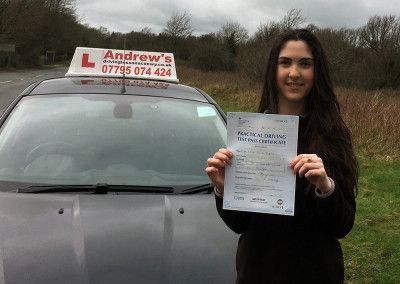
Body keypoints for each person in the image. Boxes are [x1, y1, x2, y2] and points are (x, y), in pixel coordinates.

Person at [205, 29, 358, 284]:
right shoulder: (250, 133)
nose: (294, 73)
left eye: (305, 64)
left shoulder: (333, 134)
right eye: (285, 62)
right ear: (273, 70)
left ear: (316, 72)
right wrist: (224, 190)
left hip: (318, 275)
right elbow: (240, 224)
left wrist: (325, 187)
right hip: (258, 273)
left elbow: (342, 226)